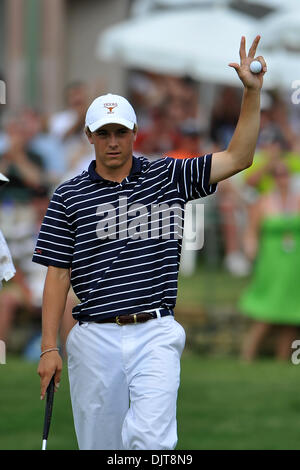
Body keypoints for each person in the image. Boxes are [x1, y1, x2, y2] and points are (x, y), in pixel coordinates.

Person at [34, 36, 266, 450]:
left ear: (135, 132)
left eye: (120, 131)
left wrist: (251, 93)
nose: (112, 141)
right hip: (92, 335)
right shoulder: (68, 195)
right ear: (89, 135)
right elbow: (57, 273)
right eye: (103, 132)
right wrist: (49, 346)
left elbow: (239, 157)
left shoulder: (168, 176)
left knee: (152, 442)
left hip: (155, 332)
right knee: (101, 447)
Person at [239, 160, 300, 361]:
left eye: (286, 174)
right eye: (279, 175)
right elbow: (251, 231)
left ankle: (282, 359)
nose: (283, 179)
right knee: (266, 313)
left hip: (294, 263)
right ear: (273, 178)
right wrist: (250, 252)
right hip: (272, 261)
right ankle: (247, 357)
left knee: (292, 313)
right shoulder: (264, 201)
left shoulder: (297, 200)